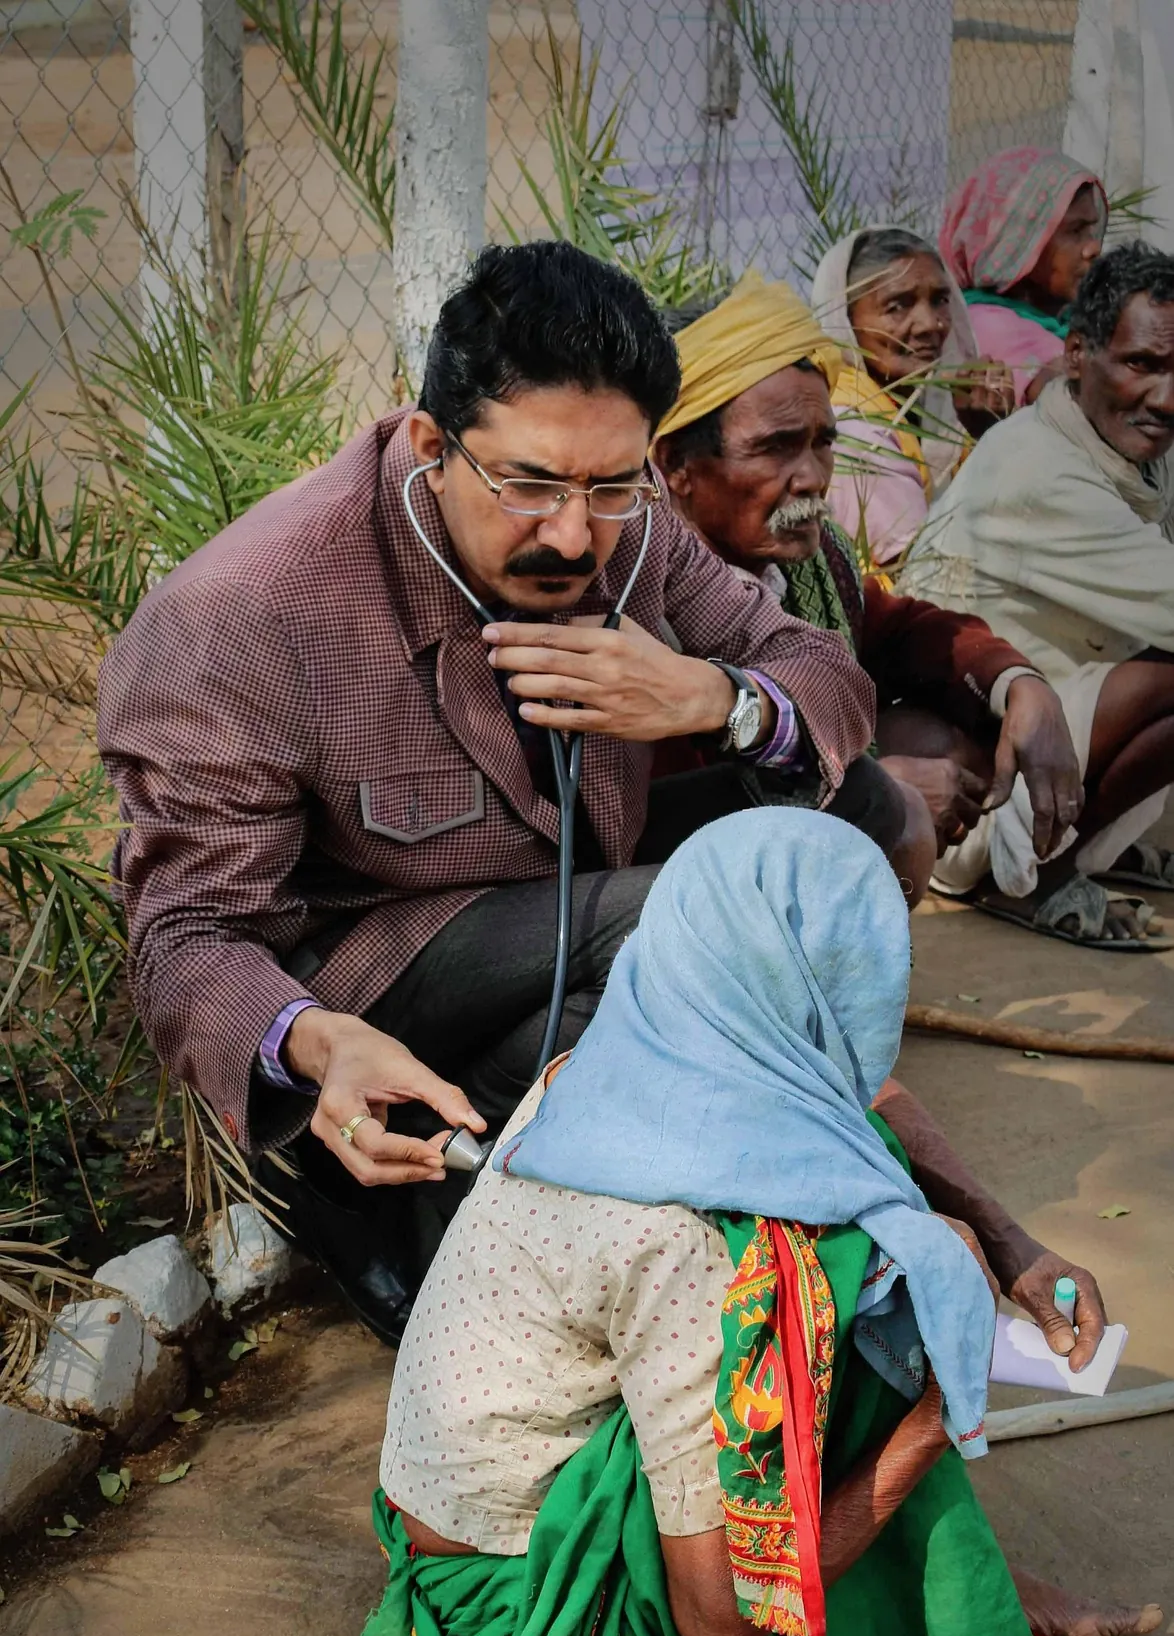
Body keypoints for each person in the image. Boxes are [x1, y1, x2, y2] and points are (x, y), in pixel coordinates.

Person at [98, 240, 891, 1342]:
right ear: (431, 445)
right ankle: (399, 1178)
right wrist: (317, 1046)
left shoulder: (631, 525)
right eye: (528, 485)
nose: (573, 533)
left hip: (560, 899)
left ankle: (474, 1178)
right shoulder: (241, 616)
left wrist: (717, 700)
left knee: (856, 818)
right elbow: (183, 937)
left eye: (611, 485)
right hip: (367, 968)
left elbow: (825, 678)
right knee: (695, 920)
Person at [349, 811, 1155, 1636]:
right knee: (852, 1298)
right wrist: (935, 1417)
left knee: (883, 1227)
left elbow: (857, 1096)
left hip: (468, 1487)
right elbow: (723, 1622)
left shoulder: (649, 1040)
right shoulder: (685, 1248)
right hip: (520, 1602)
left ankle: (937, 1560)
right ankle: (943, 1625)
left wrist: (1007, 1243)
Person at [653, 271, 1081, 863]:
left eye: (822, 443)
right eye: (776, 448)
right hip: (671, 875)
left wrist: (1020, 684)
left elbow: (901, 630)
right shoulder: (640, 585)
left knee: (959, 731)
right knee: (896, 814)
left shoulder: (808, 559)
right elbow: (662, 805)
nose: (812, 477)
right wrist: (873, 788)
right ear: (677, 465)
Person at [904, 242, 1174, 948]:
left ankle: (1078, 852)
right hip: (965, 792)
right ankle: (1036, 878)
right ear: (1078, 354)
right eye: (1142, 365)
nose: (1165, 397)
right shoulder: (1039, 474)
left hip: (1036, 726)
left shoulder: (1113, 439)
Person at [810, 231, 1014, 566]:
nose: (930, 324)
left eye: (940, 301)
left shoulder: (903, 408)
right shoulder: (856, 430)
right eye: (898, 306)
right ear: (845, 319)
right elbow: (925, 573)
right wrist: (995, 440)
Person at [940, 147, 1108, 406]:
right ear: (1018, 244)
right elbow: (1079, 406)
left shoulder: (1062, 318)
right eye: (1075, 231)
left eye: (1091, 230)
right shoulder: (988, 326)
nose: (1093, 247)